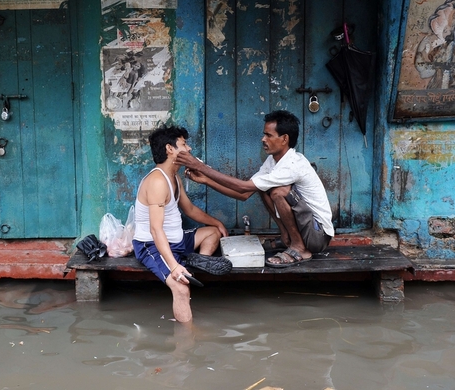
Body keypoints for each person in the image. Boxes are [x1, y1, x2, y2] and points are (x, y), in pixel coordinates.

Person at [175, 110, 334, 267]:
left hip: (318, 236)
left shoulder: (293, 164)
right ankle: (287, 236)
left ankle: (300, 248)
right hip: (305, 229)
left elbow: (243, 186)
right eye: (264, 134)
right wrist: (206, 180)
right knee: (263, 188)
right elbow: (244, 193)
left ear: (284, 139)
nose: (263, 139)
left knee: (279, 192)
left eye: (269, 135)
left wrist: (200, 166)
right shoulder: (273, 161)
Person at [132, 125, 231, 323]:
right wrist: (174, 266)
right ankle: (187, 342)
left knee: (212, 232)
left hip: (177, 239)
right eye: (184, 144)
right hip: (152, 245)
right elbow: (155, 229)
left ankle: (198, 261)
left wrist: (217, 223)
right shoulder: (157, 181)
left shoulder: (173, 177)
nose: (189, 149)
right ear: (170, 149)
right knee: (181, 288)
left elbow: (190, 210)